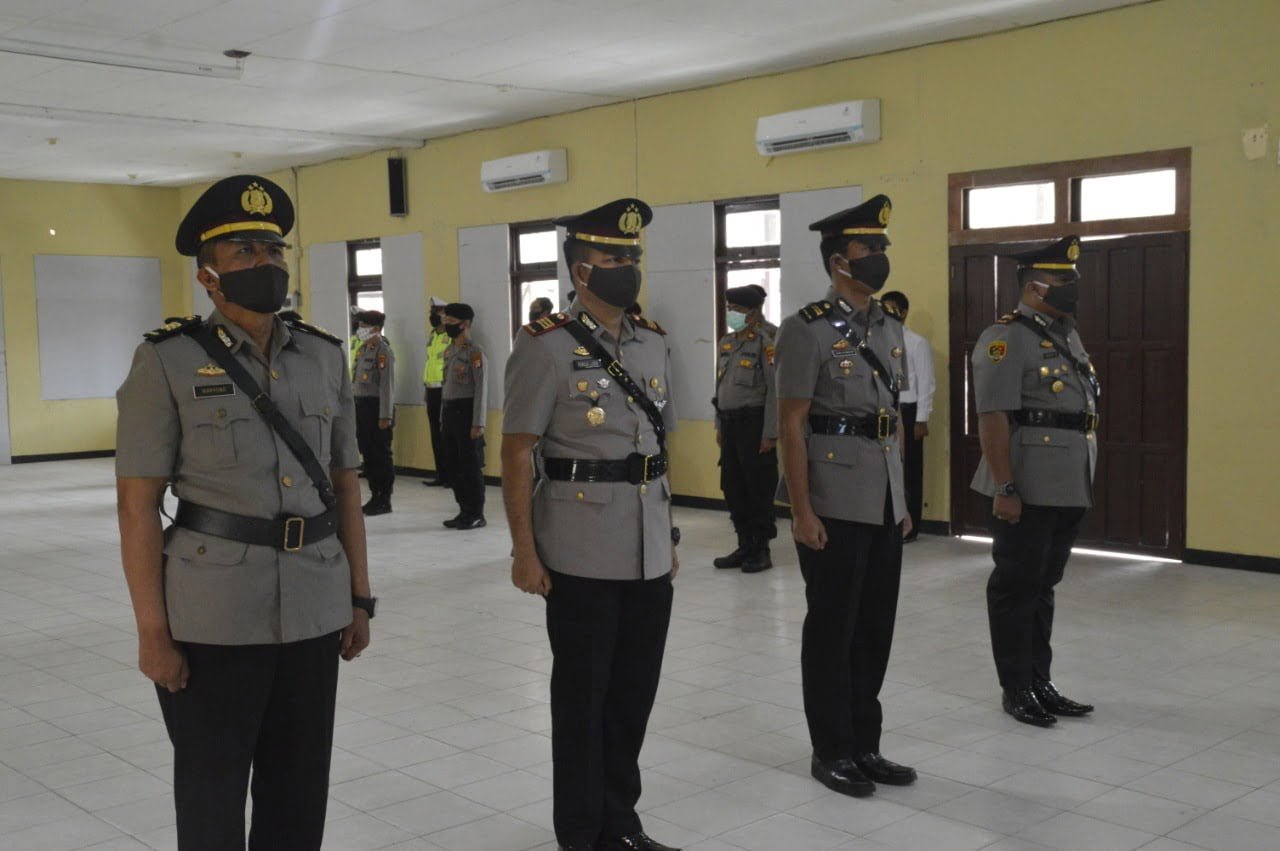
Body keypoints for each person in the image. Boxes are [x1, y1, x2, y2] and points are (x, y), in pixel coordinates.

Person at [115, 174, 374, 851]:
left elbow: (345, 483)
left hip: (315, 603)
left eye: (273, 249)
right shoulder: (165, 362)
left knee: (298, 792)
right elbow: (137, 507)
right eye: (244, 253)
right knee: (212, 793)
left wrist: (359, 596)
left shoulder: (322, 356)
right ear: (208, 276)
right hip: (213, 613)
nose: (266, 263)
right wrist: (152, 631)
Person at [502, 198, 681, 851]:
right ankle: (581, 832)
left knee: (633, 695)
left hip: (647, 549)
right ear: (582, 271)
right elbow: (517, 450)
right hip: (577, 550)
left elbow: (661, 449)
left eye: (633, 257)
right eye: (614, 258)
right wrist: (524, 549)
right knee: (582, 700)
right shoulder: (544, 346)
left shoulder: (654, 341)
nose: (628, 268)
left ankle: (622, 821)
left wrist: (669, 535)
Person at [774, 194, 916, 798]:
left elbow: (895, 420)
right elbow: (791, 424)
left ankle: (866, 743)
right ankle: (831, 749)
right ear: (839, 262)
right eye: (869, 249)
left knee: (875, 627)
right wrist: (801, 511)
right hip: (832, 499)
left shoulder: (888, 326)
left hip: (882, 498)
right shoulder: (805, 329)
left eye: (882, 247)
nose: (881, 256)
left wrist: (904, 502)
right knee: (833, 628)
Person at [970, 236, 1099, 728]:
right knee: (1015, 586)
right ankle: (1016, 687)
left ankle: (1040, 681)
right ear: (1036, 285)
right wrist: (1004, 487)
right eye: (1063, 280)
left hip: (1067, 480)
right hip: (1025, 482)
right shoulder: (1004, 338)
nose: (1072, 288)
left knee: (1043, 585)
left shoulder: (1066, 333)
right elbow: (993, 417)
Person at [712, 284, 779, 573]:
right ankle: (744, 544)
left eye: (735, 309)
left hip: (755, 423)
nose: (730, 314)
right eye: (729, 309)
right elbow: (720, 386)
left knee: (758, 488)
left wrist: (770, 432)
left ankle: (761, 549)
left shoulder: (769, 340)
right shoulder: (727, 341)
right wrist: (718, 425)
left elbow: (776, 390)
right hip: (729, 423)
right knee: (733, 486)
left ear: (753, 311)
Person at [880, 291, 935, 542]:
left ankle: (911, 526)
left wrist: (922, 419)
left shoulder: (916, 343)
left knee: (910, 471)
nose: (886, 313)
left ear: (903, 312)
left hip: (911, 412)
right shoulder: (879, 341)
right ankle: (893, 521)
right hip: (887, 411)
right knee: (890, 469)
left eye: (892, 309)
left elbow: (926, 382)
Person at [440, 302, 488, 529]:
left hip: (467, 412)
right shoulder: (450, 350)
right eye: (446, 321)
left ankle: (476, 513)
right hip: (450, 412)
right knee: (453, 464)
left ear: (465, 324)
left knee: (470, 466)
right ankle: (463, 510)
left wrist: (478, 422)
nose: (446, 326)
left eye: (451, 322)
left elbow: (481, 389)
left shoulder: (474, 352)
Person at [352, 310, 396, 515]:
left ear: (376, 329)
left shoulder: (382, 351)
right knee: (368, 454)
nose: (360, 329)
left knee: (381, 455)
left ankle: (384, 498)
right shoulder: (362, 350)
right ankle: (374, 494)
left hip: (377, 408)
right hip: (362, 407)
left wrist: (385, 415)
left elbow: (387, 386)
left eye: (364, 326)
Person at [422, 296, 452, 488]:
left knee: (447, 434)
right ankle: (441, 473)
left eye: (437, 312)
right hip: (431, 390)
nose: (433, 315)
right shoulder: (433, 336)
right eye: (432, 312)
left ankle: (451, 475)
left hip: (446, 390)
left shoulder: (451, 337)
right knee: (435, 434)